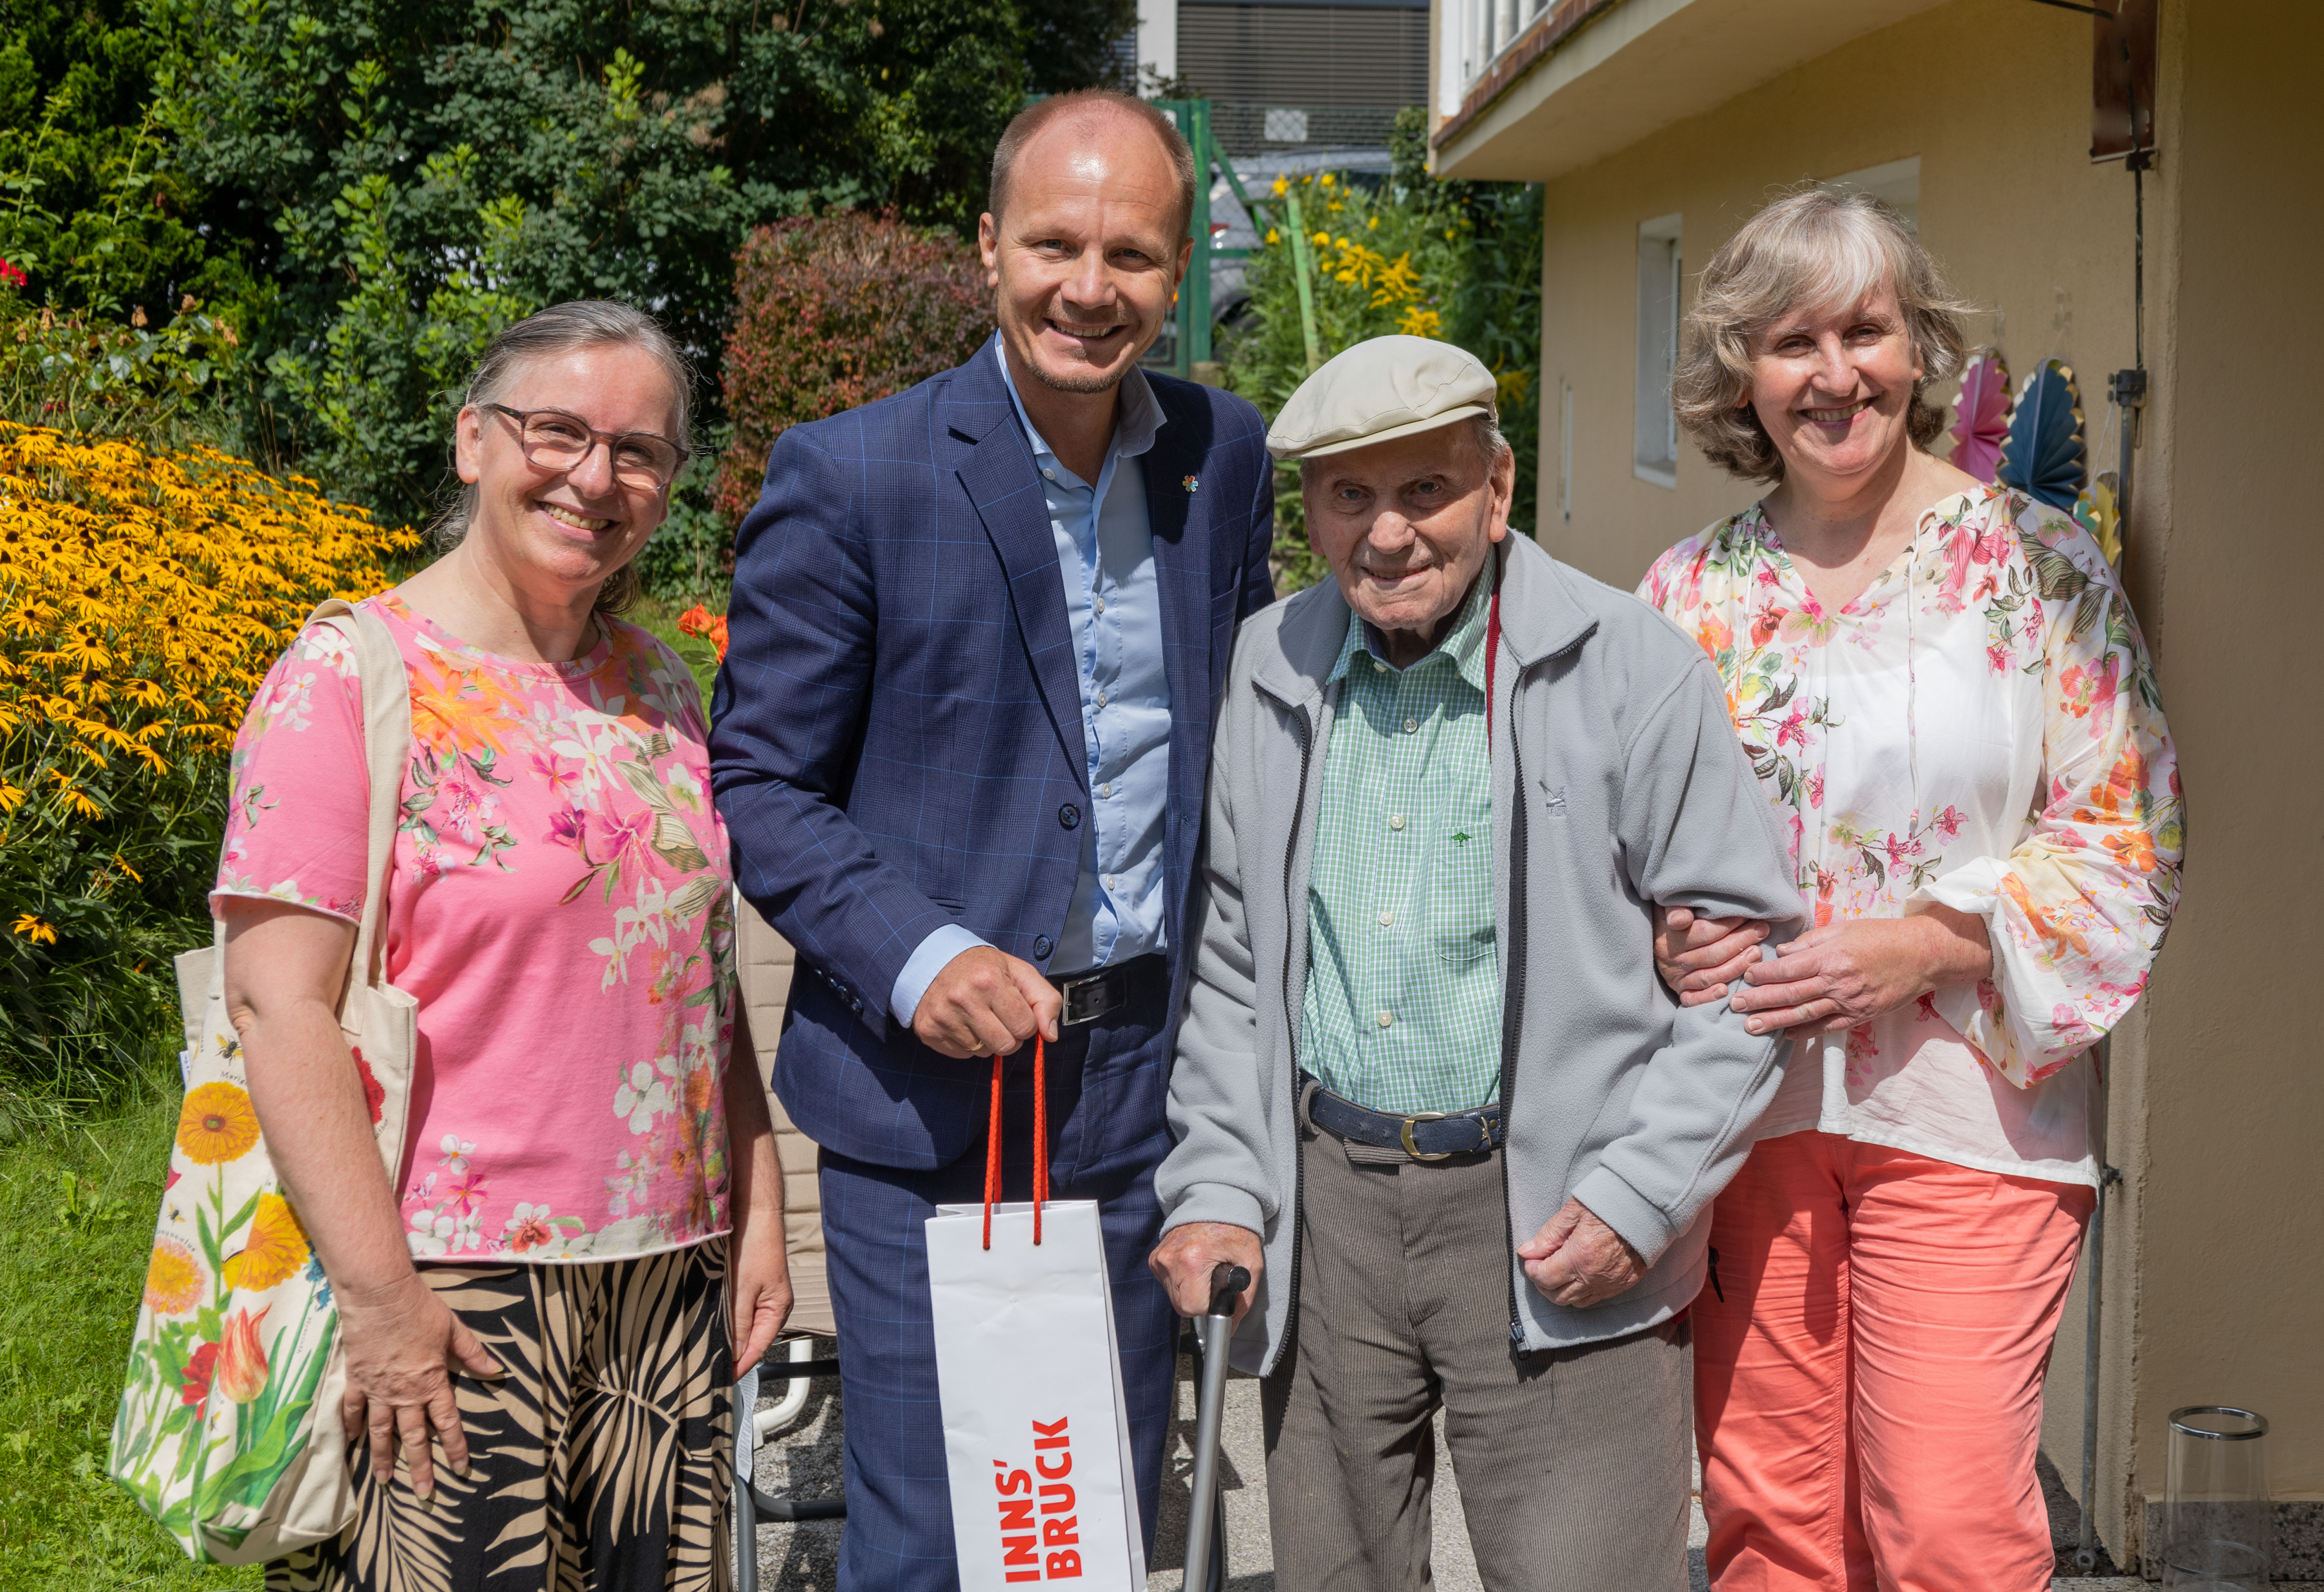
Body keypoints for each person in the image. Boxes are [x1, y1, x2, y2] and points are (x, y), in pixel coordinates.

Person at [709, 90, 1278, 1589]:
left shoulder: (1225, 458)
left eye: (1133, 253)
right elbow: (762, 785)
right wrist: (921, 952)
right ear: (987, 248)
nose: (1090, 285)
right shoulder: (853, 476)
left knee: (1088, 1521)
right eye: (1055, 242)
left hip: (1146, 1094)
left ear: (1175, 273)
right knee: (935, 1538)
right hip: (931, 1107)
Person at [1148, 334, 1807, 1591]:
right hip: (1328, 1204)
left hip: (1557, 1205)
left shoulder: (1631, 667)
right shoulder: (1269, 662)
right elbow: (1234, 971)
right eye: (1351, 496)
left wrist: (1636, 1200)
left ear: (1497, 491)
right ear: (1311, 511)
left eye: (1425, 492)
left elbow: (1748, 971)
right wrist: (1222, 1186)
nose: (1387, 535)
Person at [1639, 189, 2184, 1592]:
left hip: (1970, 1115)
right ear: (1739, 375)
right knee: (1769, 1529)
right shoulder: (1685, 593)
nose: (1835, 376)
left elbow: (2130, 829)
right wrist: (1656, 927)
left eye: (1866, 332)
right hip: (1741, 1113)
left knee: (1944, 1527)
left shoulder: (2039, 568)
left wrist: (1931, 939)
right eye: (1793, 342)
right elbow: (1614, 839)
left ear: (1919, 348)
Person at [218, 300, 791, 1592]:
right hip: (449, 1284)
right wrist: (381, 1305)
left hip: (663, 1281)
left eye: (639, 451)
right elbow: (278, 1010)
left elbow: (702, 982)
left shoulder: (658, 686)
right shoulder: (354, 676)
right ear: (475, 440)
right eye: (557, 431)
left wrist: (755, 1211)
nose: (596, 476)